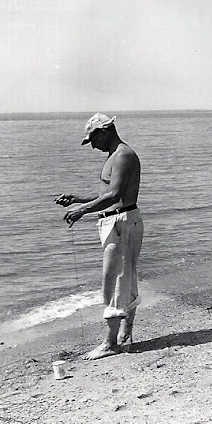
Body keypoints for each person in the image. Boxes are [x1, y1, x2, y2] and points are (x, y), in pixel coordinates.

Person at [55, 113, 144, 360]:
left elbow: (114, 196)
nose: (93, 146)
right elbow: (106, 194)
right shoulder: (114, 156)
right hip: (118, 220)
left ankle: (110, 343)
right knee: (125, 278)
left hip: (122, 221)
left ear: (103, 132)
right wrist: (78, 199)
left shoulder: (123, 155)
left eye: (93, 140)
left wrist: (82, 211)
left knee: (113, 280)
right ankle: (124, 335)